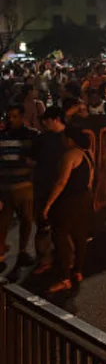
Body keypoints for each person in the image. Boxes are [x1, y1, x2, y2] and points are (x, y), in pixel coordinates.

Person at [42, 125, 94, 293]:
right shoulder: (89, 153)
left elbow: (61, 182)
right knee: (80, 235)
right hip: (84, 197)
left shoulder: (70, 155)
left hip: (70, 200)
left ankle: (64, 278)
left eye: (64, 137)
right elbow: (90, 180)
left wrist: (49, 204)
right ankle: (78, 271)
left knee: (60, 235)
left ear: (70, 140)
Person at [0, 104, 40, 268]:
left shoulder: (32, 136)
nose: (11, 120)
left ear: (22, 117)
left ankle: (22, 251)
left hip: (25, 186)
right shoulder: (2, 136)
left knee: (26, 220)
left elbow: (39, 159)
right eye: (9, 116)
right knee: (3, 222)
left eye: (15, 116)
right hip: (4, 187)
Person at [31, 106, 68, 274]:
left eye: (47, 120)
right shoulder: (43, 139)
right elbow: (30, 159)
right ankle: (48, 259)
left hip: (61, 188)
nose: (44, 123)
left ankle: (64, 260)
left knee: (61, 226)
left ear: (56, 119)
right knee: (44, 225)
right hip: (45, 187)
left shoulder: (68, 138)